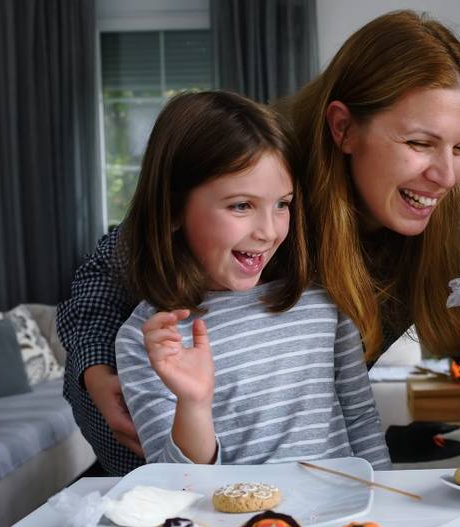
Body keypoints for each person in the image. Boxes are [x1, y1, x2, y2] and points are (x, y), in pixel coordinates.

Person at [57, 10, 460, 474]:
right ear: (343, 128)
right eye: (418, 143)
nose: (446, 176)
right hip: (159, 462)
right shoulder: (266, 168)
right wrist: (94, 369)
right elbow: (107, 270)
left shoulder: (450, 220)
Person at [113, 90, 389, 468]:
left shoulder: (323, 302)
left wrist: (383, 502)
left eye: (282, 205)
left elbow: (361, 421)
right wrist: (194, 403)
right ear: (174, 209)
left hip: (341, 523)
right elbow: (174, 485)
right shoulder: (148, 341)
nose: (268, 231)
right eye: (241, 205)